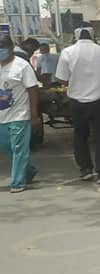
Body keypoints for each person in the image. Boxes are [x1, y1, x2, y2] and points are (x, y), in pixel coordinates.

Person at [55, 27, 100, 184]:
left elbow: (62, 79)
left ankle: (85, 170)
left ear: (75, 37)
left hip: (77, 102)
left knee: (80, 135)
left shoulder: (67, 52)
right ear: (93, 36)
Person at [0, 35, 40, 193]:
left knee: (19, 148)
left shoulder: (22, 66)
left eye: (3, 46)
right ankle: (29, 170)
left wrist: (34, 115)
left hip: (19, 115)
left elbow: (32, 89)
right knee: (7, 147)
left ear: (11, 48)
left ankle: (17, 182)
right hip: (2, 117)